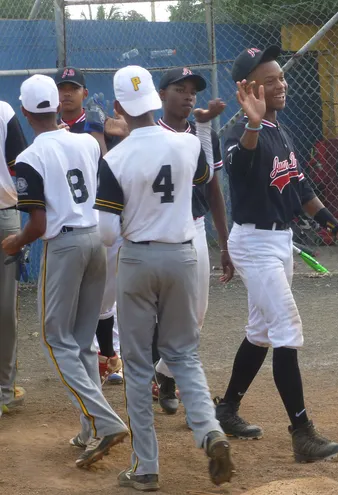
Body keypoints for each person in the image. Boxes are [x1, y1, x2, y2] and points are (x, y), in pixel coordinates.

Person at [95, 65, 232, 490]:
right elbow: (206, 186)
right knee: (184, 354)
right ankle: (209, 431)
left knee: (137, 366)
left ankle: (147, 467)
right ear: (156, 100)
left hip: (138, 258)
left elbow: (105, 234)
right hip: (183, 254)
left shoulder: (114, 158)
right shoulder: (188, 145)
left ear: (119, 107)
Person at [213, 46, 338, 462]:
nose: (280, 84)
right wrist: (252, 123)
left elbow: (303, 192)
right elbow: (241, 169)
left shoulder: (282, 131)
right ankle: (302, 433)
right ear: (247, 88)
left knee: (261, 331)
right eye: (269, 79)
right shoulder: (238, 133)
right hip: (252, 244)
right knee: (287, 329)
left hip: (277, 242)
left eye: (281, 77)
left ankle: (226, 409)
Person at [2, 74, 129, 467]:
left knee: (55, 339)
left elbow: (38, 226)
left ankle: (106, 421)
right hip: (95, 241)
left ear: (24, 112)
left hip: (65, 246)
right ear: (58, 105)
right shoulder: (88, 141)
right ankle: (90, 429)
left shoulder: (30, 157)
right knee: (82, 339)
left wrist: (13, 243)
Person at [152, 67, 233, 416]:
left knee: (195, 315)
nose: (187, 96)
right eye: (179, 89)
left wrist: (225, 244)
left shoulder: (202, 133)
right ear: (161, 95)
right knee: (160, 313)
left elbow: (213, 189)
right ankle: (185, 391)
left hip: (195, 227)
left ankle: (164, 373)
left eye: (192, 91)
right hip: (155, 232)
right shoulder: (149, 133)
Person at [55, 66, 125, 386]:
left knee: (109, 292)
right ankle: (93, 355)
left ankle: (112, 356)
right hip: (68, 222)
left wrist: (104, 129)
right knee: (78, 296)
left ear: (84, 92)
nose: (66, 93)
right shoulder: (49, 128)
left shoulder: (97, 124)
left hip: (102, 216)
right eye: (61, 88)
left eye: (73, 87)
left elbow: (108, 161)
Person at [0, 99, 27, 418]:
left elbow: (18, 164)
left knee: (5, 308)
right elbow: (19, 165)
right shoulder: (4, 110)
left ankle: (5, 389)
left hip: (5, 214)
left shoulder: (4, 111)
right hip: (6, 214)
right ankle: (4, 389)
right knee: (5, 308)